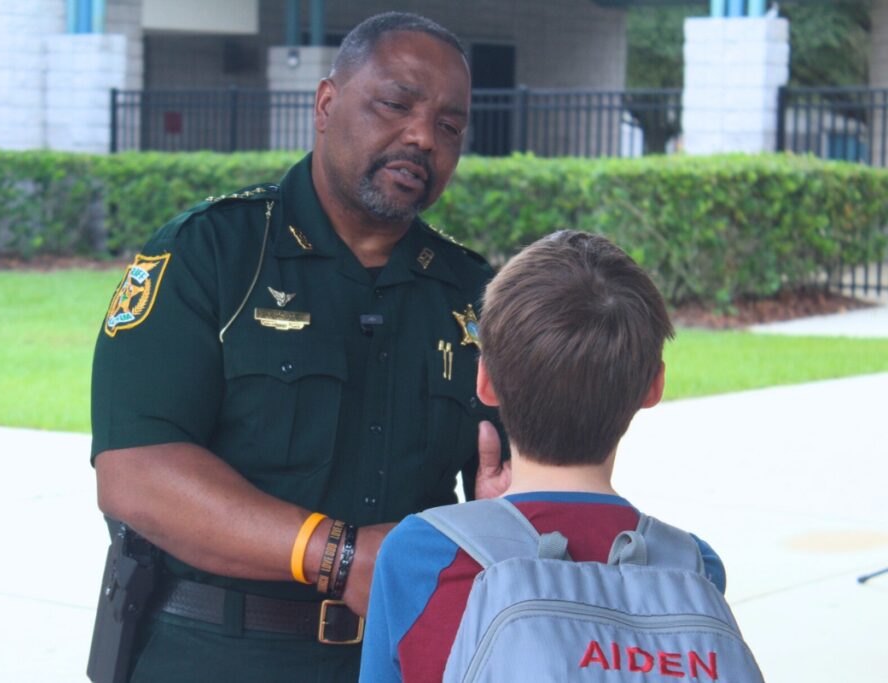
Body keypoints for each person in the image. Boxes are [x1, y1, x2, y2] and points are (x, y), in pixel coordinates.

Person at [90, 12, 507, 682]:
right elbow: (135, 474)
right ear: (326, 103)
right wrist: (338, 556)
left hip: (405, 655)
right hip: (215, 653)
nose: (423, 137)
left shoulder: (475, 294)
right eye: (396, 104)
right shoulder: (210, 253)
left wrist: (505, 515)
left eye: (450, 126)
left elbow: (519, 484)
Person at [359, 230, 727, 683]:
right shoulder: (693, 567)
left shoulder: (422, 554)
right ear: (654, 387)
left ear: (485, 382)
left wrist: (489, 522)